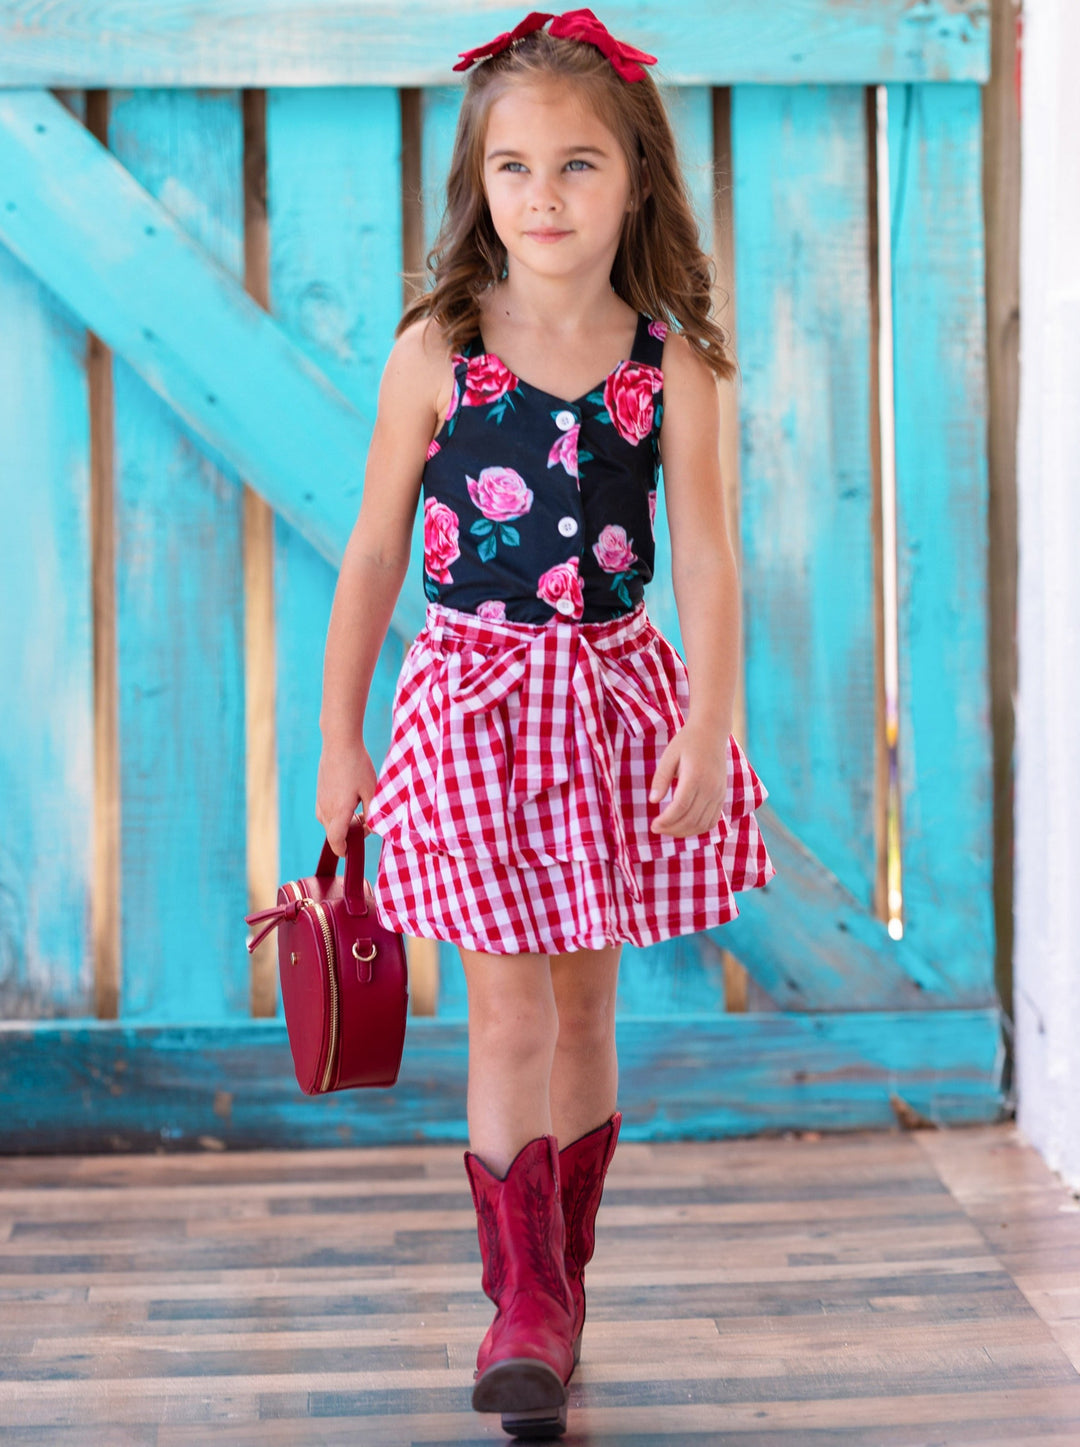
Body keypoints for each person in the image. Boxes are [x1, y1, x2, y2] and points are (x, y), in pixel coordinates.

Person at [315, 8, 775, 1437]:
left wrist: (711, 722)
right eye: (513, 168)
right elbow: (376, 552)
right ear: (480, 188)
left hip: (612, 704)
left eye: (578, 166)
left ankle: (560, 1271)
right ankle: (518, 1298)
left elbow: (705, 555)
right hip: (472, 702)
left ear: (634, 177)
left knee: (587, 997)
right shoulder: (439, 350)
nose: (545, 198)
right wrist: (341, 742)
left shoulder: (672, 362)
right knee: (507, 998)